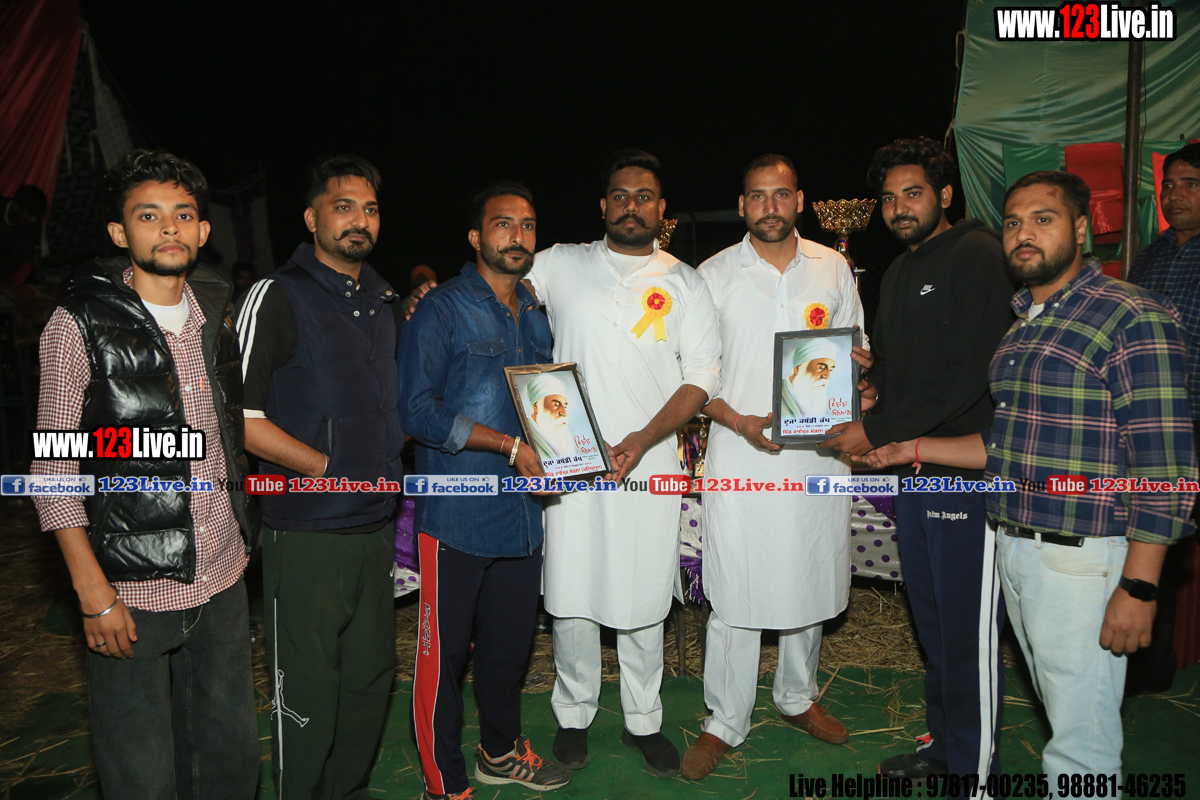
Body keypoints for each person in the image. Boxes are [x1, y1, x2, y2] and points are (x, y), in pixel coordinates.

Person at [859, 169, 1197, 787]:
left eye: (1043, 218)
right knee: (1063, 725)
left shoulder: (1131, 314)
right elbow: (1006, 447)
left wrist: (1140, 586)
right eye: (1013, 222)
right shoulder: (1023, 328)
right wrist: (912, 447)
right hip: (1017, 549)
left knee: (1080, 748)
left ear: (1081, 227)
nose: (1024, 233)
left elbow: (1167, 470)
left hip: (1082, 558)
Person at [30, 149, 260, 799]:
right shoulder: (77, 323)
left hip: (222, 577)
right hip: (129, 590)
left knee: (229, 762)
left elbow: (228, 436)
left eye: (182, 215)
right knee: (143, 777)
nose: (168, 228)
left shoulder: (215, 313)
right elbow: (52, 469)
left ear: (203, 230)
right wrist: (92, 592)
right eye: (148, 215)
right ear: (119, 232)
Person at [820, 136, 1015, 786]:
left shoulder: (979, 255)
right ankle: (944, 749)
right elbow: (909, 373)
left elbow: (969, 374)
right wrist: (875, 385)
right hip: (913, 473)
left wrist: (872, 428)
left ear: (945, 195)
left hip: (964, 474)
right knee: (932, 624)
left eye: (913, 193)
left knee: (967, 633)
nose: (899, 207)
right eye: (888, 198)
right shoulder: (901, 271)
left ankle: (976, 776)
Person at [533, 149, 721, 778]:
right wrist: (436, 295)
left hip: (650, 463)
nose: (631, 206)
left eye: (643, 197)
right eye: (620, 195)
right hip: (570, 464)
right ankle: (573, 713)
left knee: (644, 593)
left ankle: (644, 719)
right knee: (572, 591)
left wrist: (642, 438)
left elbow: (701, 379)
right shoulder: (560, 263)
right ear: (603, 205)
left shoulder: (685, 281)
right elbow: (497, 287)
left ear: (661, 209)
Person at [681, 154, 867, 780]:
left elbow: (854, 349)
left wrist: (863, 383)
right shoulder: (711, 275)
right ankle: (724, 719)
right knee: (736, 585)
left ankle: (796, 695)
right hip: (742, 454)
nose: (769, 206)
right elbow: (694, 376)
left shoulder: (833, 266)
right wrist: (738, 421)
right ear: (742, 205)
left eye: (781, 194)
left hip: (819, 455)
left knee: (808, 571)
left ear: (800, 200)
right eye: (757, 196)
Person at [235, 154, 403, 797]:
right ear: (311, 218)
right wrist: (328, 470)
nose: (359, 220)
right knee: (304, 694)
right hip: (305, 532)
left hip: (375, 528)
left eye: (370, 209)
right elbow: (239, 419)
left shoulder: (381, 301)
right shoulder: (278, 294)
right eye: (343, 207)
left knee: (367, 682)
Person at [400, 182, 572, 800]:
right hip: (457, 518)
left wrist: (569, 450)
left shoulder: (535, 312)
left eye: (527, 225)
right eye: (503, 224)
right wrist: (508, 447)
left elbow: (546, 405)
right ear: (476, 236)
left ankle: (499, 753)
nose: (517, 236)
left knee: (507, 652)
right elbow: (416, 412)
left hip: (523, 517)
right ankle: (443, 785)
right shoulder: (442, 309)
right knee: (442, 661)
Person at [1125, 142, 1200, 694]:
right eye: (1168, 185)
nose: (1175, 195)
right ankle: (1148, 665)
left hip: (1195, 420)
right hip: (1147, 428)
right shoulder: (1150, 256)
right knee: (1154, 537)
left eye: (1190, 184)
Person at [524, 373, 579, 460]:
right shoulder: (524, 433)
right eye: (556, 405)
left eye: (565, 406)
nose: (564, 413)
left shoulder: (565, 440)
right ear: (536, 406)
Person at [1, 184, 48, 283]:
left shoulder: (34, 220)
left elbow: (35, 249)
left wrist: (41, 280)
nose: (33, 220)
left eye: (36, 217)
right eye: (29, 215)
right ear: (15, 207)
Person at [782, 338, 838, 418]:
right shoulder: (777, 392)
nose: (827, 376)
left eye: (830, 369)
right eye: (821, 368)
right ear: (797, 368)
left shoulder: (821, 404)